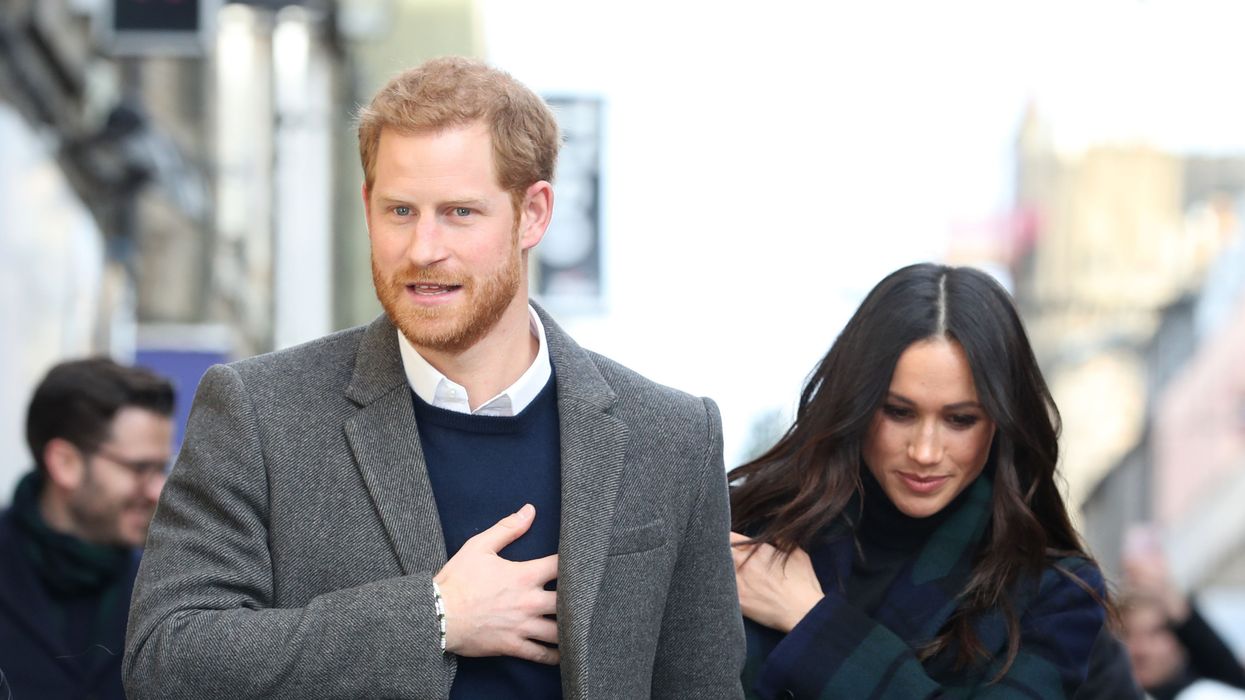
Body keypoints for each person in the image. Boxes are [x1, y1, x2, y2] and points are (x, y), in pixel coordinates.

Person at [124, 56, 744, 699]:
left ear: (533, 213)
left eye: (458, 213)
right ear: (367, 207)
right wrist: (433, 618)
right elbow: (166, 661)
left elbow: (702, 686)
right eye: (399, 211)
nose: (423, 248)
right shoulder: (260, 413)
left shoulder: (670, 437)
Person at [729, 263, 1110, 699]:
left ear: (1000, 423)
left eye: (960, 419)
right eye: (899, 412)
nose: (925, 451)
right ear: (856, 404)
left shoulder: (1052, 593)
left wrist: (812, 621)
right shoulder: (746, 534)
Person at [0, 357, 174, 700]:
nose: (158, 490)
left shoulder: (165, 592)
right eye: (140, 468)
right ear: (65, 463)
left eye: (162, 468)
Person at [1120, 533, 1245, 700]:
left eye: (1155, 633)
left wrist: (1166, 592)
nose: (1141, 649)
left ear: (1181, 642)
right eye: (1127, 634)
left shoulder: (1206, 693)